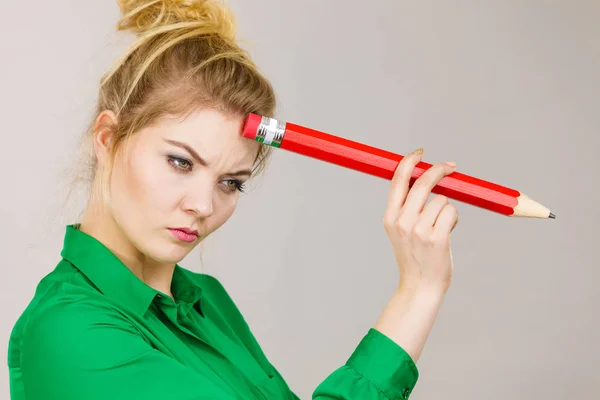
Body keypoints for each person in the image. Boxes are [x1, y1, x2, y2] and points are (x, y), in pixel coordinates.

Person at [7, 1, 459, 399]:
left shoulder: (208, 301)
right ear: (107, 138)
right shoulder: (69, 333)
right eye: (181, 162)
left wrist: (422, 288)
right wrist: (416, 292)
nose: (203, 205)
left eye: (231, 182)